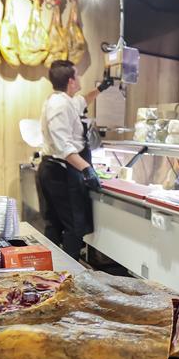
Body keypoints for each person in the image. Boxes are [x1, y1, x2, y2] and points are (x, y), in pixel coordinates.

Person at [37, 60, 112, 260]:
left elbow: (82, 101)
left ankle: (52, 274)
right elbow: (64, 147)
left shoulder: (65, 100)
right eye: (77, 75)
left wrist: (100, 89)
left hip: (56, 170)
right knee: (73, 227)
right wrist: (87, 169)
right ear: (71, 81)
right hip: (59, 172)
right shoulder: (60, 105)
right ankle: (68, 276)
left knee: (56, 224)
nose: (79, 79)